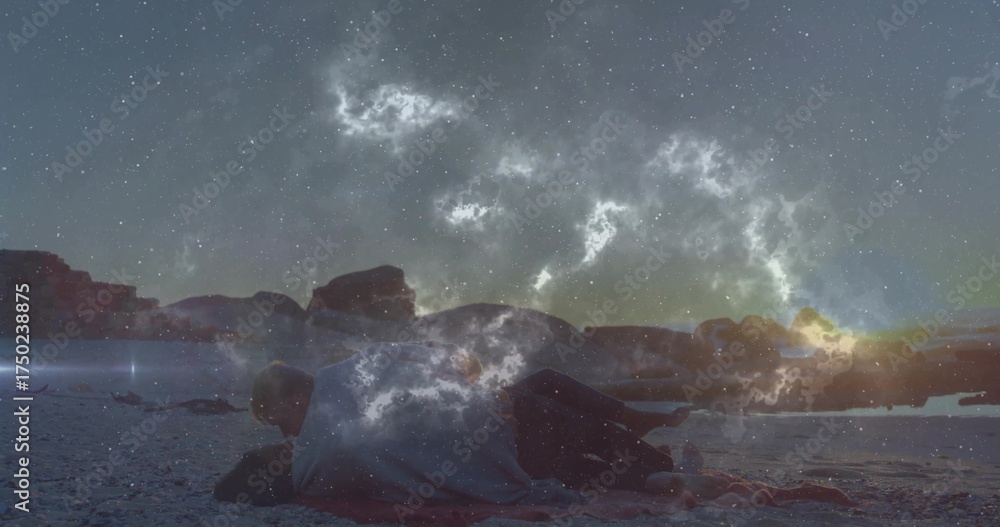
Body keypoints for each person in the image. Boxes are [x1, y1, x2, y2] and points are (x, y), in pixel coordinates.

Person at [215, 342, 710, 508]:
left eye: (277, 423)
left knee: (567, 461)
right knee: (552, 402)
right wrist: (466, 379)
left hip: (510, 456)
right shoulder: (354, 373)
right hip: (508, 425)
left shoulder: (318, 464)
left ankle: (657, 473)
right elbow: (456, 359)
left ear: (291, 399)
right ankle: (656, 458)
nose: (282, 437)